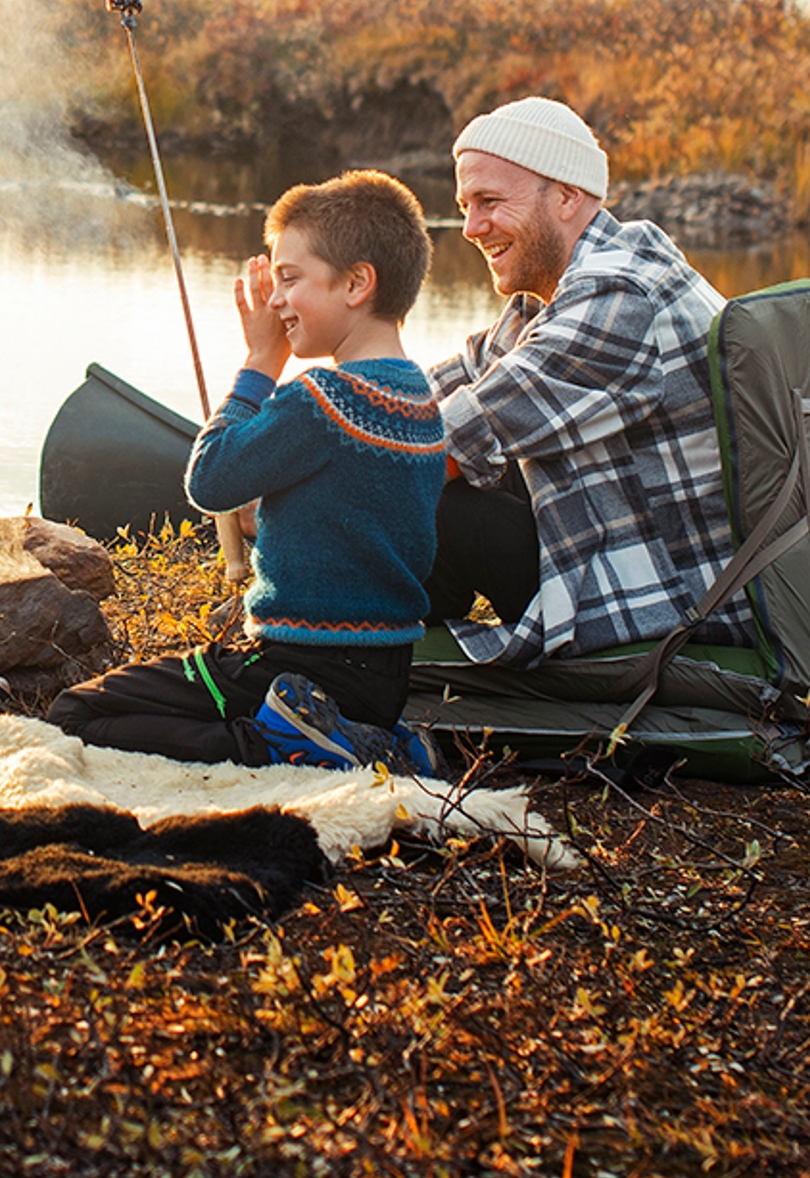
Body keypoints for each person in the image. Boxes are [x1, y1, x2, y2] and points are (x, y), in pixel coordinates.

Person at [45, 172, 448, 770]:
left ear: (358, 282)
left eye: (289, 279)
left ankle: (275, 748)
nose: (276, 300)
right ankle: (370, 742)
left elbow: (208, 481)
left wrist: (262, 362)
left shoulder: (322, 399)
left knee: (76, 714)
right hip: (383, 680)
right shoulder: (422, 404)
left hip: (296, 668)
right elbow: (353, 520)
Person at [423, 96, 743, 664]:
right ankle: (404, 657)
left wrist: (307, 479)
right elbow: (450, 382)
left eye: (490, 202)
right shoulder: (560, 288)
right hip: (633, 554)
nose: (471, 227)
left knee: (432, 502)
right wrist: (317, 418)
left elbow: (452, 437)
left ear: (568, 196)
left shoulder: (621, 294)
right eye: (465, 204)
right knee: (433, 482)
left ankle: (376, 667)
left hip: (675, 605)